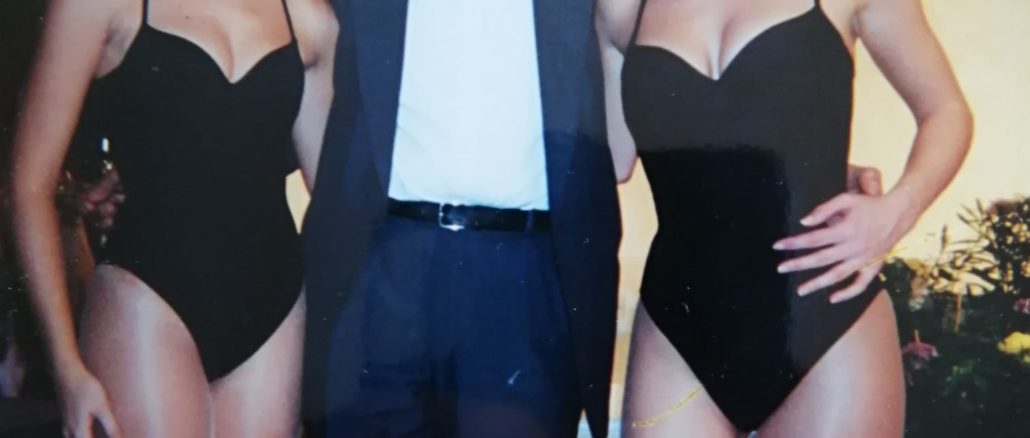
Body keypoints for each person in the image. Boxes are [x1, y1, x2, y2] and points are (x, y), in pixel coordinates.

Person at [596, 0, 973, 436]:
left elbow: (946, 110)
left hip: (825, 318)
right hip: (678, 329)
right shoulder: (621, 8)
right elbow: (613, 158)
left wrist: (897, 209)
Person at [9, 0, 338, 435]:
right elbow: (29, 185)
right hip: (147, 299)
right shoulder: (98, 6)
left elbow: (337, 196)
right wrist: (66, 366)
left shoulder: (309, 17)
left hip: (275, 309)